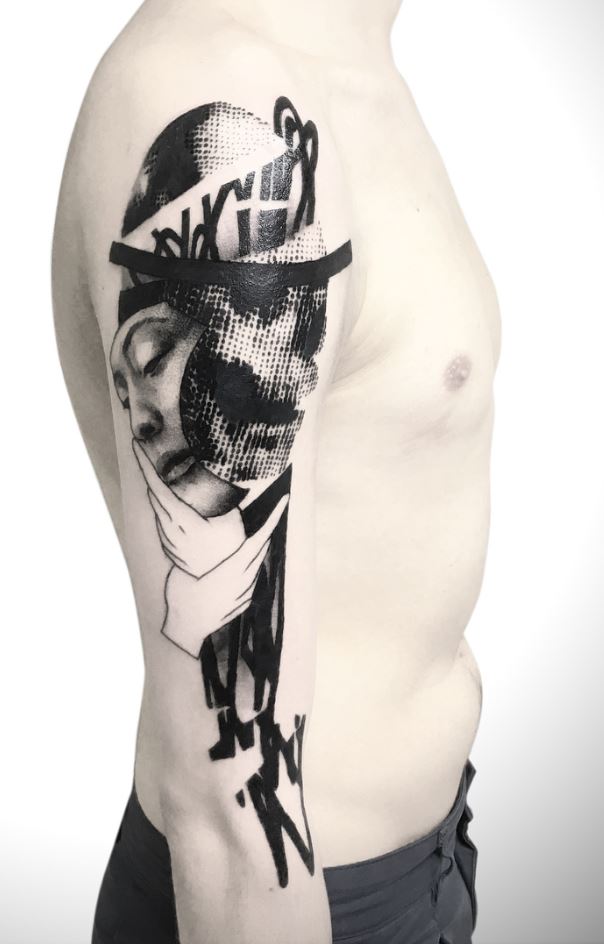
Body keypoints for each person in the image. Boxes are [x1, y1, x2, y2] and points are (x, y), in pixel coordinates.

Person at [52, 1, 500, 941]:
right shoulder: (223, 89)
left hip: (423, 867)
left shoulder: (348, 62)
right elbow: (229, 809)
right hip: (290, 902)